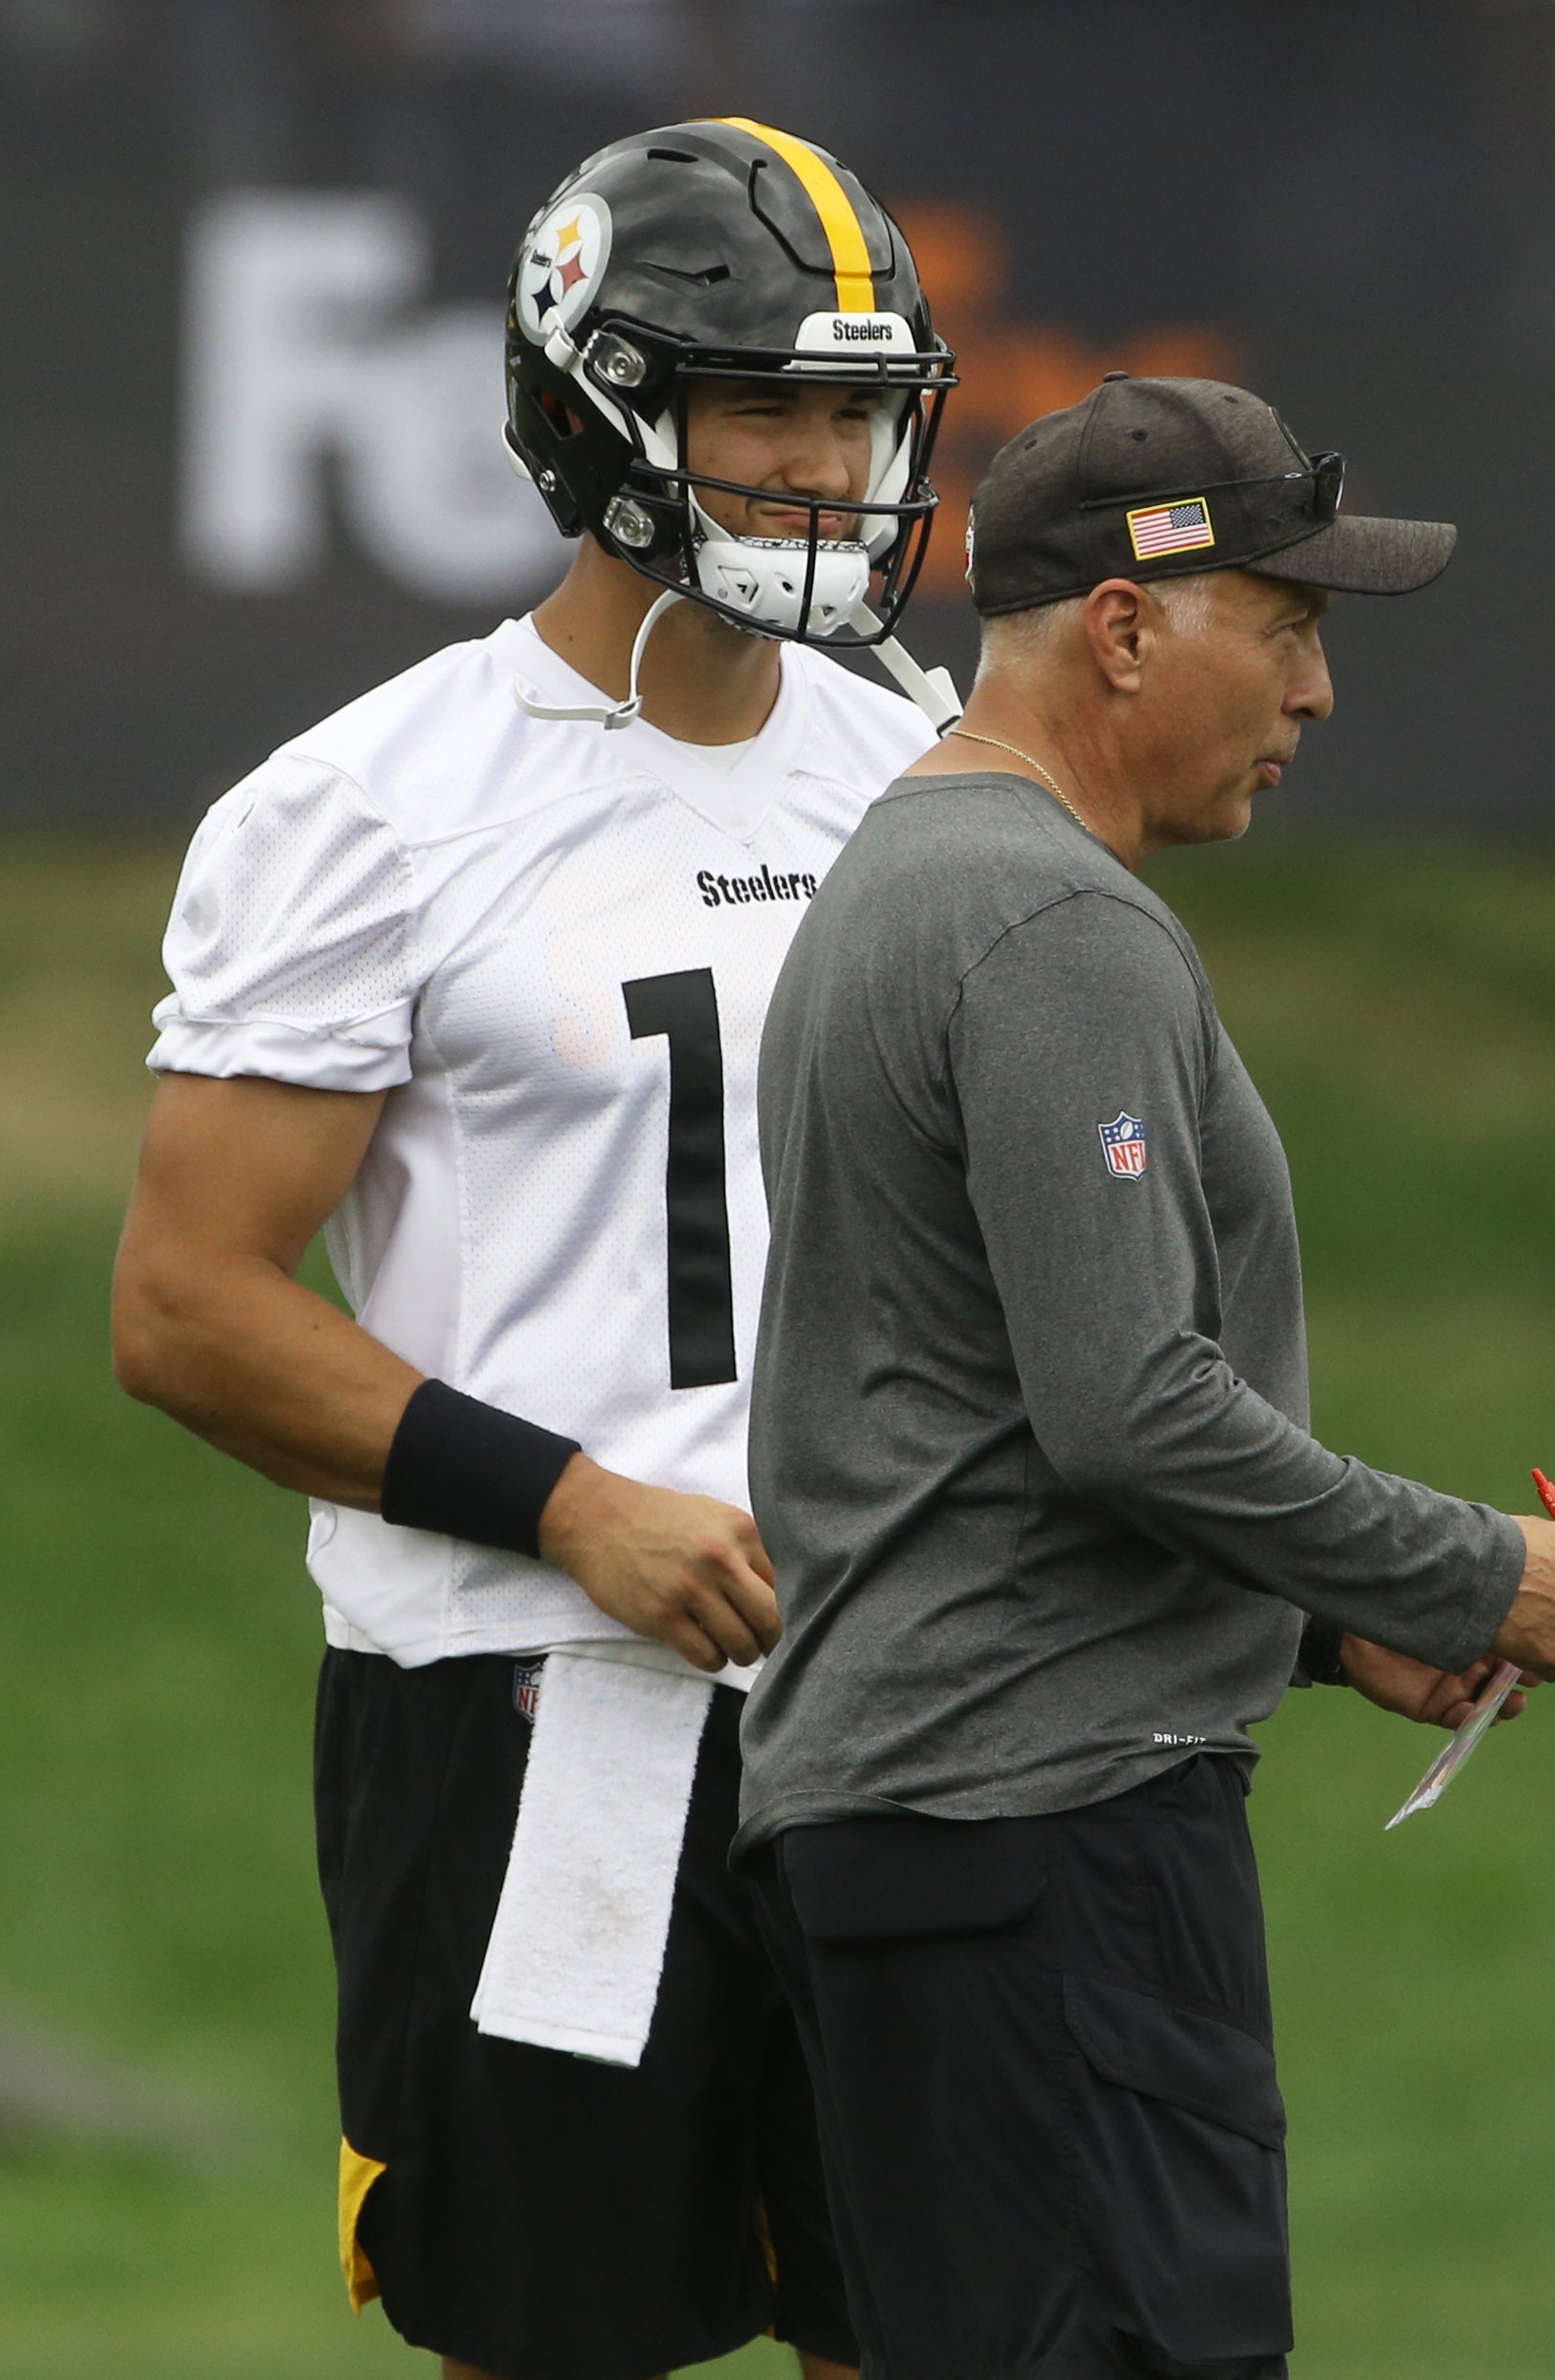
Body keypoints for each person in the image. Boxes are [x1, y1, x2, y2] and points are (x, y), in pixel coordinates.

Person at [110, 118, 959, 2380]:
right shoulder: (371, 809)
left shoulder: (922, 772)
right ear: (594, 406)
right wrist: (575, 1507)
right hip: (527, 1715)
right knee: (554, 2344)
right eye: (764, 401)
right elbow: (189, 1306)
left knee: (946, 2320)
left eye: (859, 411)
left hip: (886, 1704)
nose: (823, 466)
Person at [738, 373, 1555, 2379]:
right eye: (1292, 626)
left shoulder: (902, 873)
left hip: (918, 1843)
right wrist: (1460, 1572)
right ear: (1129, 627)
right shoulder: (1056, 917)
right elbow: (1125, 1405)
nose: (1318, 696)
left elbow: (963, 1426)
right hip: (1043, 1849)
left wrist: (1321, 1637)